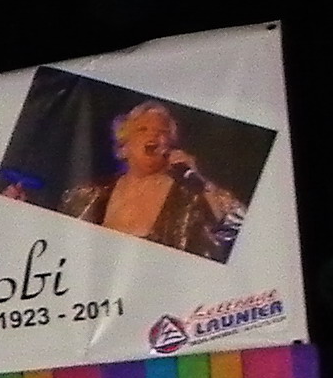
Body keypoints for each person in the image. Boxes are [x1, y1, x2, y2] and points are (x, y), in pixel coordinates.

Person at [58, 99, 246, 260]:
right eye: (142, 129)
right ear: (122, 149)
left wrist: (199, 180)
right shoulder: (87, 196)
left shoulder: (192, 196)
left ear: (170, 146)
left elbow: (239, 229)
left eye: (162, 132)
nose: (154, 135)